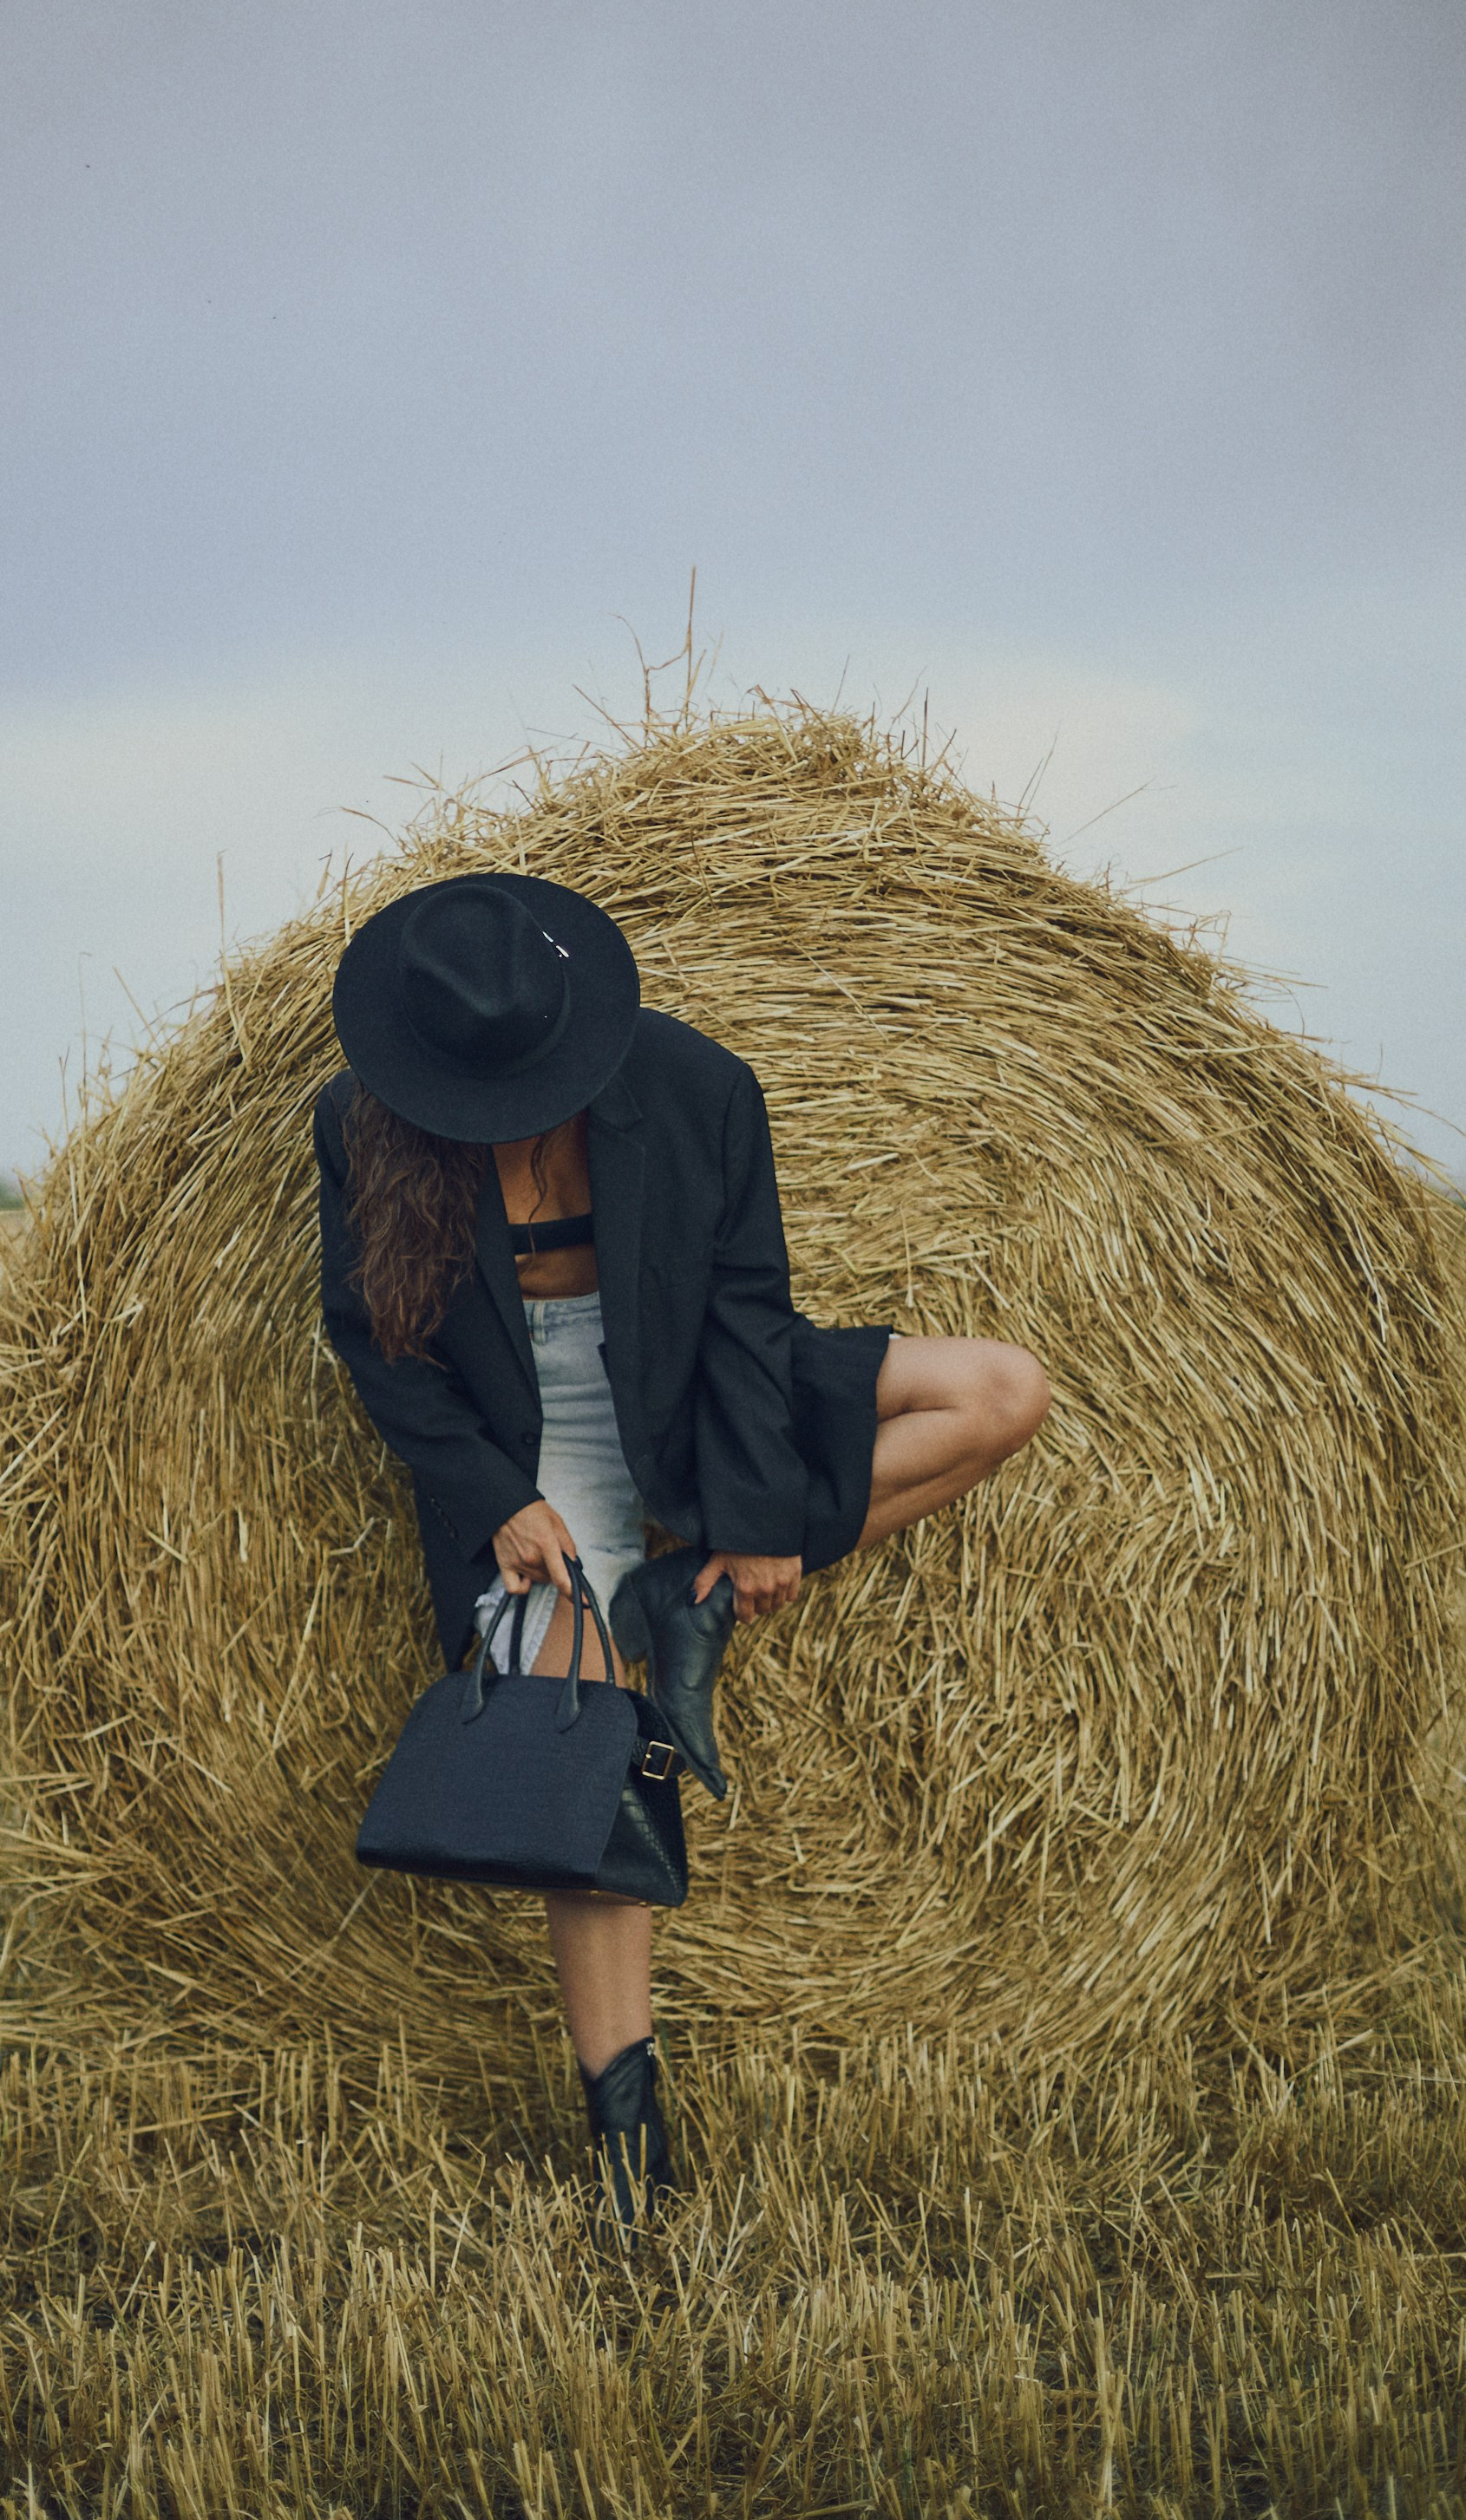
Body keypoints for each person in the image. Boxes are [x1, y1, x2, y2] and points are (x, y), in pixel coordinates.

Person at [314, 872, 1049, 2239]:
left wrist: (760, 1514)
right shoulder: (363, 1124)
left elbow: (748, 1304)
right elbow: (381, 1345)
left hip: (687, 1399)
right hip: (519, 1448)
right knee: (589, 1753)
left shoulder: (695, 1086)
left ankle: (674, 1588)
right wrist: (492, 1500)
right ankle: (625, 2121)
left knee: (1001, 1390)